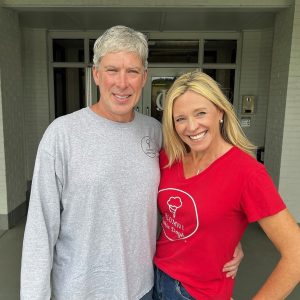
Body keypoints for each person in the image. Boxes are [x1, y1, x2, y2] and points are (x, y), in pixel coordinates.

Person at [20, 26, 242, 300]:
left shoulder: (157, 132)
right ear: (96, 74)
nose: (122, 83)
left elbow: (192, 190)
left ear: (144, 77)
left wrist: (229, 237)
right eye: (112, 70)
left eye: (132, 71)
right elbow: (40, 229)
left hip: (143, 288)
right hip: (81, 291)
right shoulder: (63, 134)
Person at [153, 70, 300, 300]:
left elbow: (296, 253)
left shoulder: (247, 173)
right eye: (180, 118)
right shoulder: (170, 158)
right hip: (157, 279)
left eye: (200, 113)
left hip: (199, 293)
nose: (191, 127)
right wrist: (228, 237)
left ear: (220, 112)